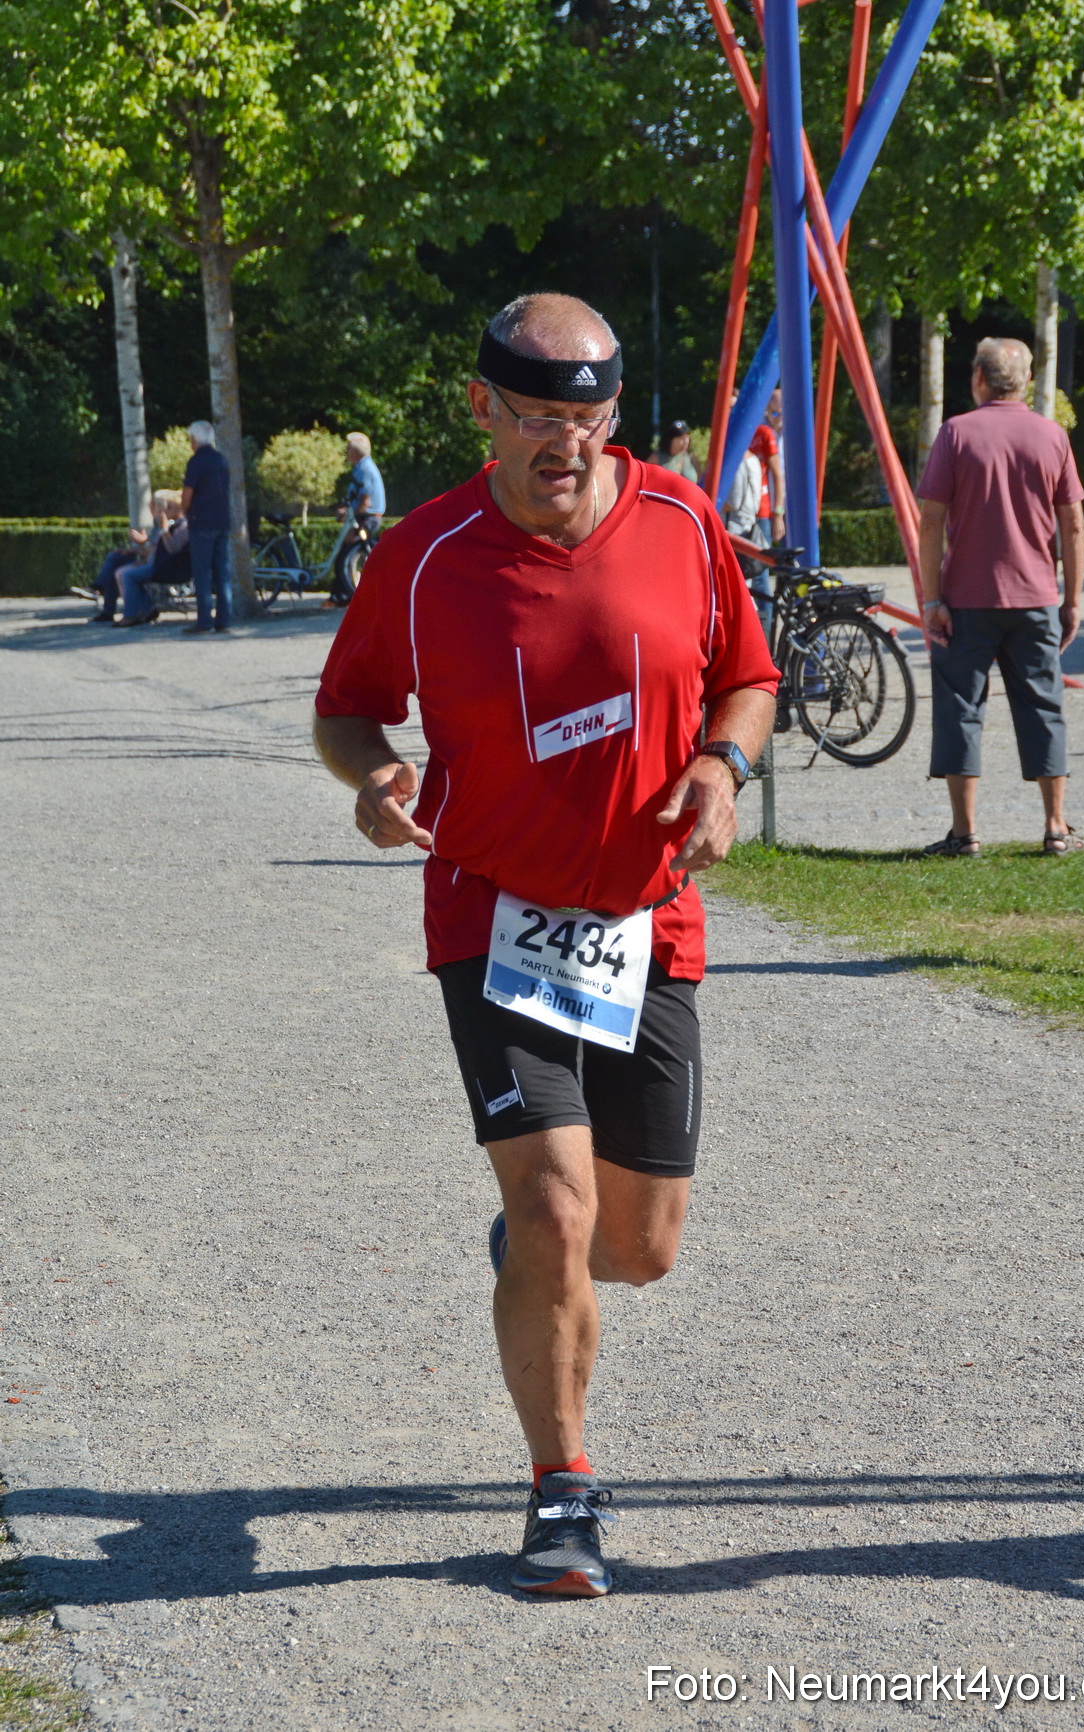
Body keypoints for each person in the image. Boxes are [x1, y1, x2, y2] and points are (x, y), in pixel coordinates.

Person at [313, 292, 777, 1598]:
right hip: (490, 912)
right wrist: (372, 777)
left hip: (647, 919)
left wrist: (723, 767)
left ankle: (532, 1255)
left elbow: (746, 674)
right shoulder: (423, 555)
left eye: (588, 418)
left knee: (634, 1245)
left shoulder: (682, 524)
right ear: (483, 413)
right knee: (556, 1208)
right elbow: (349, 709)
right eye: (536, 419)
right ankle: (560, 1491)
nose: (565, 445)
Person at [917, 336, 1084, 857]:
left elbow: (931, 519)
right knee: (1044, 707)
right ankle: (1056, 827)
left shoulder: (956, 433)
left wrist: (930, 600)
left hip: (967, 598)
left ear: (977, 378)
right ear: (1029, 381)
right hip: (1035, 597)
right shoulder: (1051, 435)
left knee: (959, 708)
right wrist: (1073, 600)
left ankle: (964, 833)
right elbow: (1074, 524)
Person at [180, 421, 232, 635]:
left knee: (202, 573)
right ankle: (224, 620)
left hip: (201, 522)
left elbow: (187, 494)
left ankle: (204, 621)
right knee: (222, 572)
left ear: (194, 439)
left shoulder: (196, 461)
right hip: (222, 521)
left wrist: (186, 511)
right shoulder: (221, 460)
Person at [326, 433, 386, 608]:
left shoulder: (364, 469)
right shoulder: (363, 467)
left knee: (345, 559)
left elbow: (365, 501)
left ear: (355, 452)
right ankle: (340, 597)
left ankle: (343, 598)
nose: (346, 453)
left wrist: (352, 518)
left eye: (348, 450)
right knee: (344, 556)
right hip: (366, 517)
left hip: (366, 519)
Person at [116, 492, 191, 626]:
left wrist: (164, 530)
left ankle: (131, 615)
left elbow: (172, 549)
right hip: (162, 565)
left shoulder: (184, 526)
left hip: (171, 568)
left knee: (128, 575)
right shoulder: (173, 525)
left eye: (163, 508)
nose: (160, 511)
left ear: (172, 508)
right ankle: (146, 610)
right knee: (126, 572)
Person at [749, 413, 786, 549]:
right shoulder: (728, 431)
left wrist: (778, 513)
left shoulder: (763, 433)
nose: (779, 417)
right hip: (735, 512)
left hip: (762, 509)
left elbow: (778, 475)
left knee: (759, 563)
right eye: (775, 413)